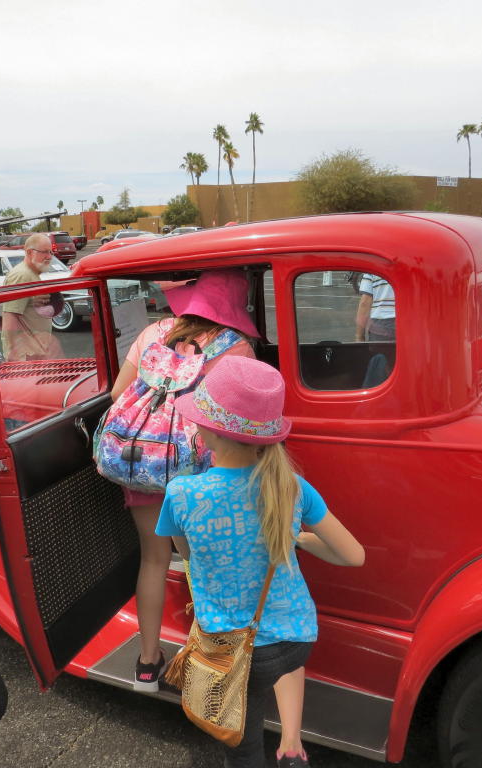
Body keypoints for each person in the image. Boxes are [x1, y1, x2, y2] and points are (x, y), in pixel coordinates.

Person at [157, 356, 365, 768]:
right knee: (281, 659)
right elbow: (353, 555)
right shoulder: (291, 487)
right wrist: (297, 538)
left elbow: (189, 555)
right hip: (296, 638)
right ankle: (291, 745)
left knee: (243, 742)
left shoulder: (181, 494)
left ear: (210, 432)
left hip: (232, 648)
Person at [109, 269, 257, 691]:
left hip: (143, 464)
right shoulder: (236, 347)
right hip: (201, 474)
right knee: (203, 563)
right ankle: (209, 662)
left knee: (153, 560)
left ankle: (147, 664)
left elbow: (118, 393)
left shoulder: (154, 333)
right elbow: (238, 421)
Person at [0, 233, 64, 362]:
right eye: (44, 252)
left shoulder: (31, 274)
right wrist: (15, 357)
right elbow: (10, 317)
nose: (49, 257)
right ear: (29, 252)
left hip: (35, 354)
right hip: (26, 357)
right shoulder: (22, 276)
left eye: (50, 252)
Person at [354, 273, 395, 341]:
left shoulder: (372, 271)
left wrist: (359, 336)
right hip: (408, 324)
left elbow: (365, 303)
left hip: (381, 326)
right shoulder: (411, 267)